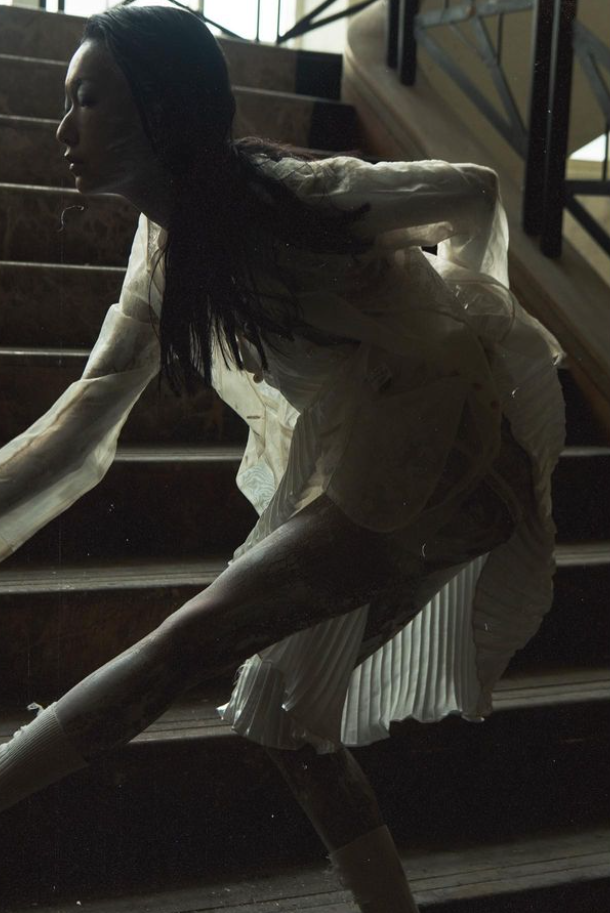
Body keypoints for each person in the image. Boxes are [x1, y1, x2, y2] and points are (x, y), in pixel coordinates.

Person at [0, 2, 566, 910]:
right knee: (284, 714)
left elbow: (474, 190)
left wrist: (462, 328)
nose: (63, 127)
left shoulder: (296, 198)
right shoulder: (162, 254)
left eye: (88, 100)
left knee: (189, 640)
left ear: (159, 106)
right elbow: (79, 423)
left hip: (449, 465)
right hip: (366, 465)